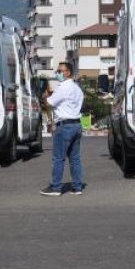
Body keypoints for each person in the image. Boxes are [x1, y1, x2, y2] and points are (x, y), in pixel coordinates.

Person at [40, 62, 84, 196]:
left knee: (58, 158)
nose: (58, 73)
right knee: (75, 158)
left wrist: (45, 96)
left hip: (64, 125)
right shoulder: (77, 88)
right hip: (76, 124)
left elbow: (49, 102)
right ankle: (77, 187)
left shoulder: (63, 87)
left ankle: (56, 187)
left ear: (68, 72)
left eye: (60, 71)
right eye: (57, 71)